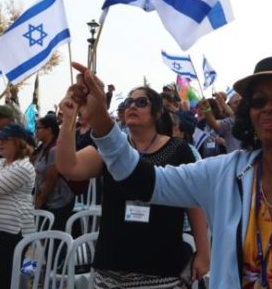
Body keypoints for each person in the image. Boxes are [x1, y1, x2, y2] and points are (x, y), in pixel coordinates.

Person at [66, 57, 272, 288]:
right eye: (257, 101)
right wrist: (102, 121)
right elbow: (143, 181)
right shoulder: (226, 174)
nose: (268, 107)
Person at [56, 86, 210, 288]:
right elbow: (69, 167)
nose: (132, 106)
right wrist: (68, 119)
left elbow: (194, 202)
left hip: (161, 271)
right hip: (111, 270)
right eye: (128, 102)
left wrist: (203, 252)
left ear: (157, 112)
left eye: (141, 102)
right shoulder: (111, 150)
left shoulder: (178, 149)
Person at [0, 123, 36, 289]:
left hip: (13, 229)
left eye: (5, 139)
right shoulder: (0, 162)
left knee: (2, 277)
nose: (0, 143)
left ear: (19, 143)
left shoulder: (24, 166)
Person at [33, 114, 74, 232]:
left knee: (53, 236)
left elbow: (51, 178)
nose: (36, 131)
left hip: (58, 200)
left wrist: (41, 198)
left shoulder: (54, 149)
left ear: (49, 130)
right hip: (47, 199)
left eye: (39, 128)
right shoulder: (42, 148)